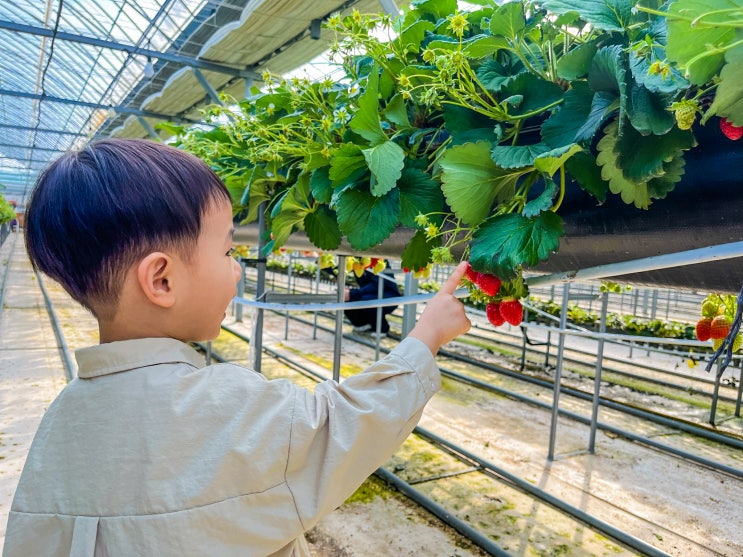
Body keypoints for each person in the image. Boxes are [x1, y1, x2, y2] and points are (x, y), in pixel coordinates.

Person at [4, 138, 471, 557]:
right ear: (161, 280)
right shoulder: (226, 405)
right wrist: (425, 337)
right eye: (228, 251)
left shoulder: (61, 422)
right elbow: (341, 426)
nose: (237, 268)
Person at [344, 262, 401, 336]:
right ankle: (362, 324)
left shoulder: (380, 260)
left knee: (367, 300)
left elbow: (377, 284)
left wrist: (354, 293)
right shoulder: (358, 261)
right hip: (370, 293)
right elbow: (362, 282)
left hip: (389, 295)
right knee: (346, 297)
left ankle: (382, 329)